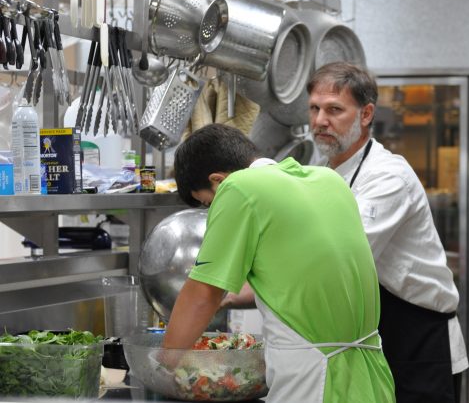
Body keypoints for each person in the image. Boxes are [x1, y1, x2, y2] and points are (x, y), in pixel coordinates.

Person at [162, 123, 395, 403]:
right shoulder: (329, 181)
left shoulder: (238, 187)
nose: (214, 209)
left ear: (218, 181)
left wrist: (165, 365)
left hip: (315, 381)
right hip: (371, 375)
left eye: (209, 203)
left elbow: (203, 294)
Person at [307, 61, 468, 403]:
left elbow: (344, 256)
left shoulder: (388, 176)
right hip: (371, 337)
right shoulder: (319, 174)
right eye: (315, 108)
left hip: (419, 340)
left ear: (366, 114)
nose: (320, 120)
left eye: (334, 109)